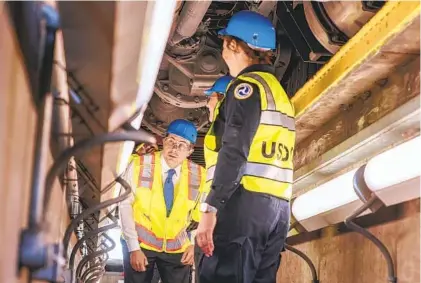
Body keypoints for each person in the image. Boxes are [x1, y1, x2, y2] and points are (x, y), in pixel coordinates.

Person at [196, 10, 296, 283]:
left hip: (243, 205)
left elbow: (234, 150)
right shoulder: (279, 93)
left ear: (232, 44)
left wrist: (211, 208)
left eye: (224, 44)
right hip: (278, 211)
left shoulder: (247, 87)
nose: (224, 53)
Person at [120, 119, 208, 283]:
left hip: (178, 248)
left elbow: (201, 214)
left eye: (182, 145)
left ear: (190, 150)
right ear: (164, 141)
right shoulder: (139, 165)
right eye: (171, 141)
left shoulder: (200, 175)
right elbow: (124, 206)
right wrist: (133, 247)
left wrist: (193, 244)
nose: (175, 149)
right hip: (141, 245)